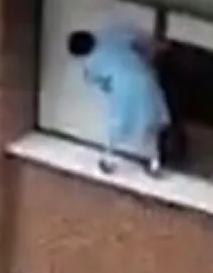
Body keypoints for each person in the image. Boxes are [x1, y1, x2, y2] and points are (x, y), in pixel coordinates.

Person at [67, 23, 171, 176]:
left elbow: (99, 83)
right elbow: (138, 39)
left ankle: (108, 159)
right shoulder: (112, 35)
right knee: (151, 124)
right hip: (146, 78)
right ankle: (155, 164)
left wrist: (109, 88)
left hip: (124, 91)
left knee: (118, 125)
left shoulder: (91, 63)